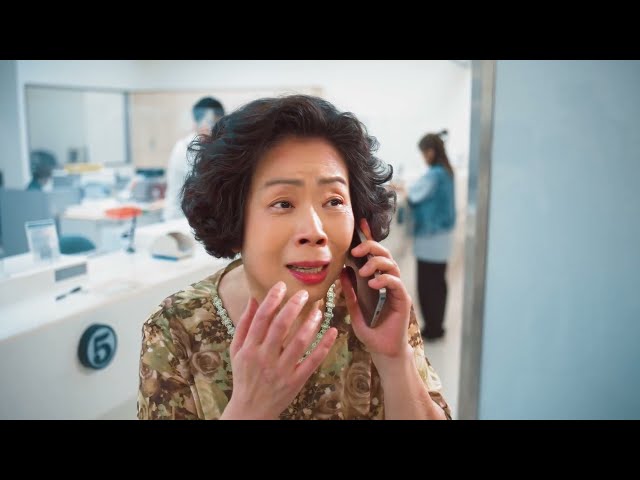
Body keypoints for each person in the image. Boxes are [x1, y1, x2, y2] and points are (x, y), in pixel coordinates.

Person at [138, 95, 451, 420]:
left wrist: (395, 358)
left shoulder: (375, 306)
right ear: (233, 220)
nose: (315, 231)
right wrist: (249, 410)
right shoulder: (175, 328)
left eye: (333, 201)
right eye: (283, 204)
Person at [406, 133, 456, 340]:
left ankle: (432, 329)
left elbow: (415, 194)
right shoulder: (446, 171)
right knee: (439, 284)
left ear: (431, 151)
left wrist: (402, 189)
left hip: (430, 238)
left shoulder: (435, 174)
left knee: (427, 286)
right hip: (442, 238)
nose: (423, 157)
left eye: (424, 152)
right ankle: (438, 326)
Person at [163, 97, 225, 221]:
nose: (212, 128)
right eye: (209, 122)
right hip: (180, 218)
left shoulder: (219, 145)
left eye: (217, 123)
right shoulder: (183, 148)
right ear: (197, 122)